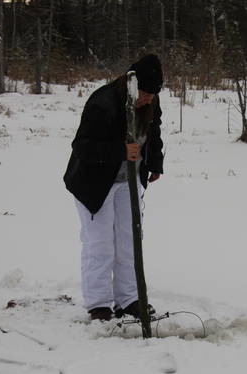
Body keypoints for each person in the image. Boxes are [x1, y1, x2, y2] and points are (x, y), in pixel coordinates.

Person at [63, 54, 164, 321]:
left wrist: (155, 162)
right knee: (100, 244)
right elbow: (82, 147)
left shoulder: (150, 102)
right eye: (145, 93)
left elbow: (153, 132)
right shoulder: (103, 103)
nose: (148, 99)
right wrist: (121, 151)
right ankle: (98, 303)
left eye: (153, 95)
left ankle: (128, 299)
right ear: (132, 85)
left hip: (128, 180)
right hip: (94, 184)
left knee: (130, 240)